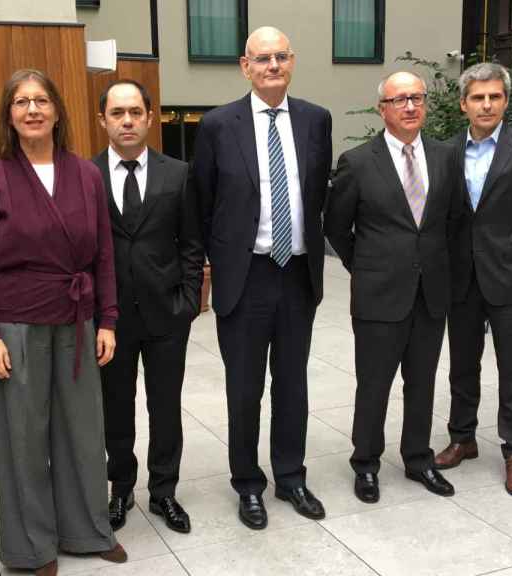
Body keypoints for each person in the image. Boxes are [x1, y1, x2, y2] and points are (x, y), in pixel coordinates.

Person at [0, 69, 126, 575]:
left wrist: (109, 319)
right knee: (25, 437)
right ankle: (31, 546)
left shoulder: (86, 174)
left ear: (58, 111)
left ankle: (86, 529)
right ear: (9, 116)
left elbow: (103, 252)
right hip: (17, 322)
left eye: (41, 101)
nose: (32, 110)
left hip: (78, 320)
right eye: (20, 102)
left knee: (82, 430)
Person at [192, 26, 332, 529]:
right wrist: (215, 264)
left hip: (296, 274)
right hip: (245, 276)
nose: (272, 66)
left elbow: (318, 197)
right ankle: (247, 483)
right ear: (244, 66)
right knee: (244, 388)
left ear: (292, 62)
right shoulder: (216, 125)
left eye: (281, 57)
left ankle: (291, 476)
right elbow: (202, 204)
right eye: (262, 59)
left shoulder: (317, 121)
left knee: (292, 385)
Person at [325, 71, 466, 502]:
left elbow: (455, 222)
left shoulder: (445, 157)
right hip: (379, 295)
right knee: (374, 384)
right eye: (399, 99)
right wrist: (367, 266)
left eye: (417, 98)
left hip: (431, 294)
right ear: (381, 108)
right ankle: (365, 463)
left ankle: (418, 459)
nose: (410, 106)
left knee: (422, 382)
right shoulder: (357, 161)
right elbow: (335, 227)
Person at [437, 62, 512, 497]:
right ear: (463, 103)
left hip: (511, 279)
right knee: (462, 366)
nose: (486, 104)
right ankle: (462, 438)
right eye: (477, 97)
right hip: (462, 280)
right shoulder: (446, 152)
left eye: (494, 96)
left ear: (505, 100)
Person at [94, 79, 203, 534]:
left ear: (149, 117)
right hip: (111, 321)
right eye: (117, 113)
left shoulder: (178, 174)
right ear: (103, 120)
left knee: (165, 407)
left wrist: (190, 299)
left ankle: (164, 492)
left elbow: (192, 242)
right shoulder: (85, 175)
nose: (126, 121)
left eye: (135, 112)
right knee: (115, 409)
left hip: (166, 314)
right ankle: (121, 489)